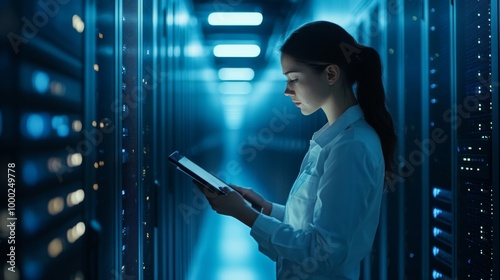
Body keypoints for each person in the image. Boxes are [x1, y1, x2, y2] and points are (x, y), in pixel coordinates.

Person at [197, 21, 397, 279]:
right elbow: (314, 226)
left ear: (331, 75)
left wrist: (243, 213)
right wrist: (266, 208)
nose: (287, 90)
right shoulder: (334, 140)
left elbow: (323, 253)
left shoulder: (351, 146)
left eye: (294, 79)